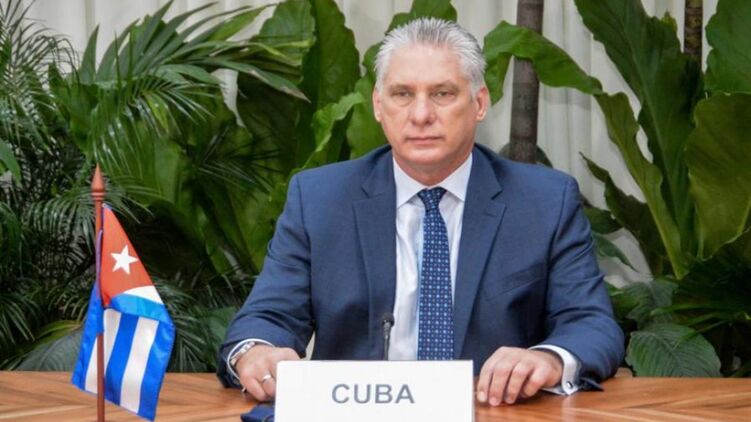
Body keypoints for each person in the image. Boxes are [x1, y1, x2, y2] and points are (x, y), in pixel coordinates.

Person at [217, 17, 624, 407]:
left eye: (442, 94)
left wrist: (549, 359)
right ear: (379, 106)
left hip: (490, 412)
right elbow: (267, 317)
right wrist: (257, 352)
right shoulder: (320, 199)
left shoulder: (544, 202)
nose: (421, 115)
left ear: (480, 103)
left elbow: (591, 325)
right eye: (402, 94)